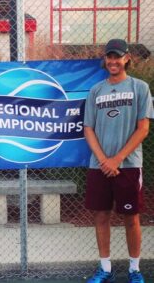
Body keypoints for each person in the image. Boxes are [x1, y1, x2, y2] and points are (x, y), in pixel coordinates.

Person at [84, 39, 153, 283]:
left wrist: (118, 159)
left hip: (129, 165)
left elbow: (143, 128)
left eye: (117, 57)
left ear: (126, 59)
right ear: (105, 60)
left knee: (131, 217)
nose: (113, 61)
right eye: (109, 57)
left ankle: (134, 269)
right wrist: (104, 159)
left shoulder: (140, 88)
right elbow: (88, 128)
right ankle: (105, 268)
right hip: (99, 165)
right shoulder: (96, 90)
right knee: (101, 216)